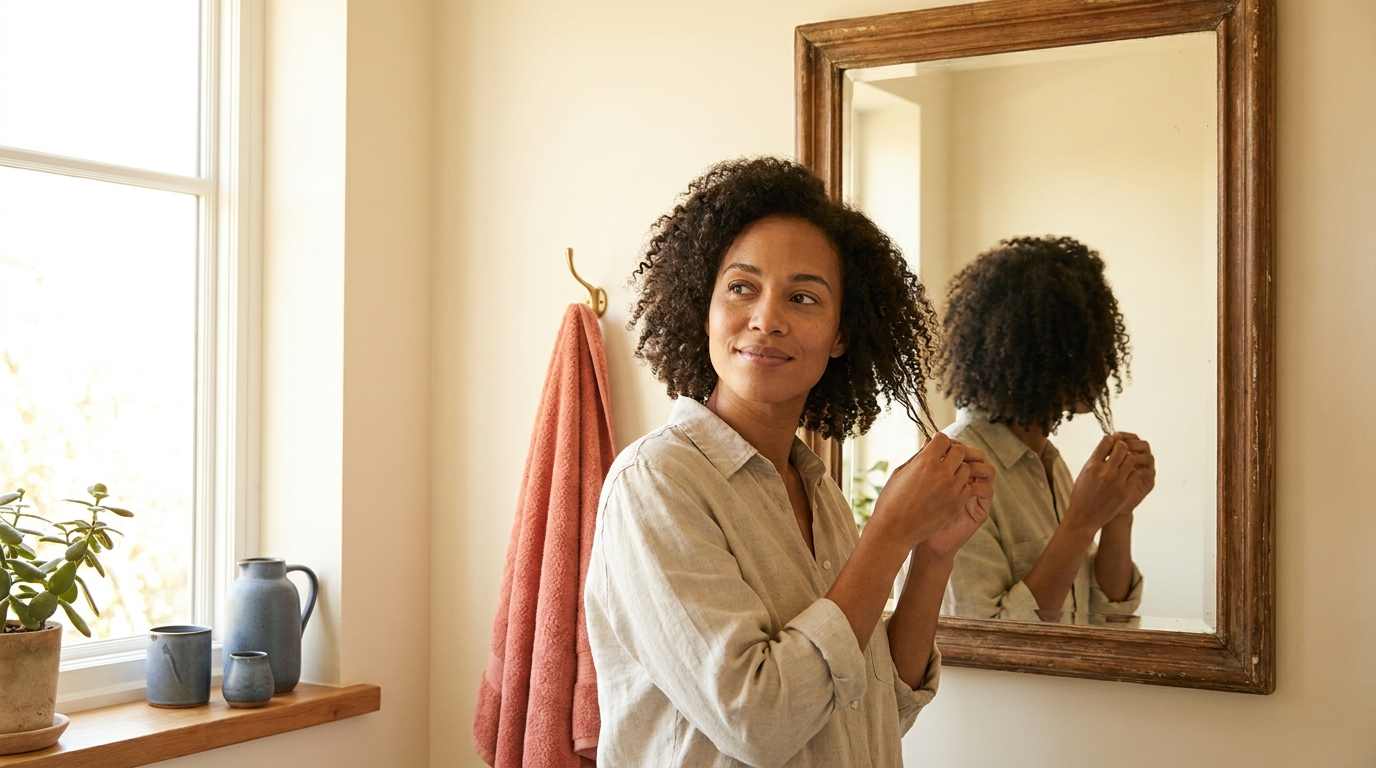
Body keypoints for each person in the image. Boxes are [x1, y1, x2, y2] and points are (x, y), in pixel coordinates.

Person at [584, 157, 995, 766]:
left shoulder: (814, 488)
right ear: (704, 305)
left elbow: (874, 706)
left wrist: (933, 555)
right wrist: (888, 533)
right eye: (742, 287)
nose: (767, 319)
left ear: (840, 335)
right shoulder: (656, 484)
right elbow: (759, 721)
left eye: (803, 297)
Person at [938, 235, 1155, 624]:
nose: (1101, 366)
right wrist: (1082, 521)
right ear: (1033, 355)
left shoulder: (1049, 465)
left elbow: (1106, 616)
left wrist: (1119, 514)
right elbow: (985, 641)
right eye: (1081, 348)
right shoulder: (957, 472)